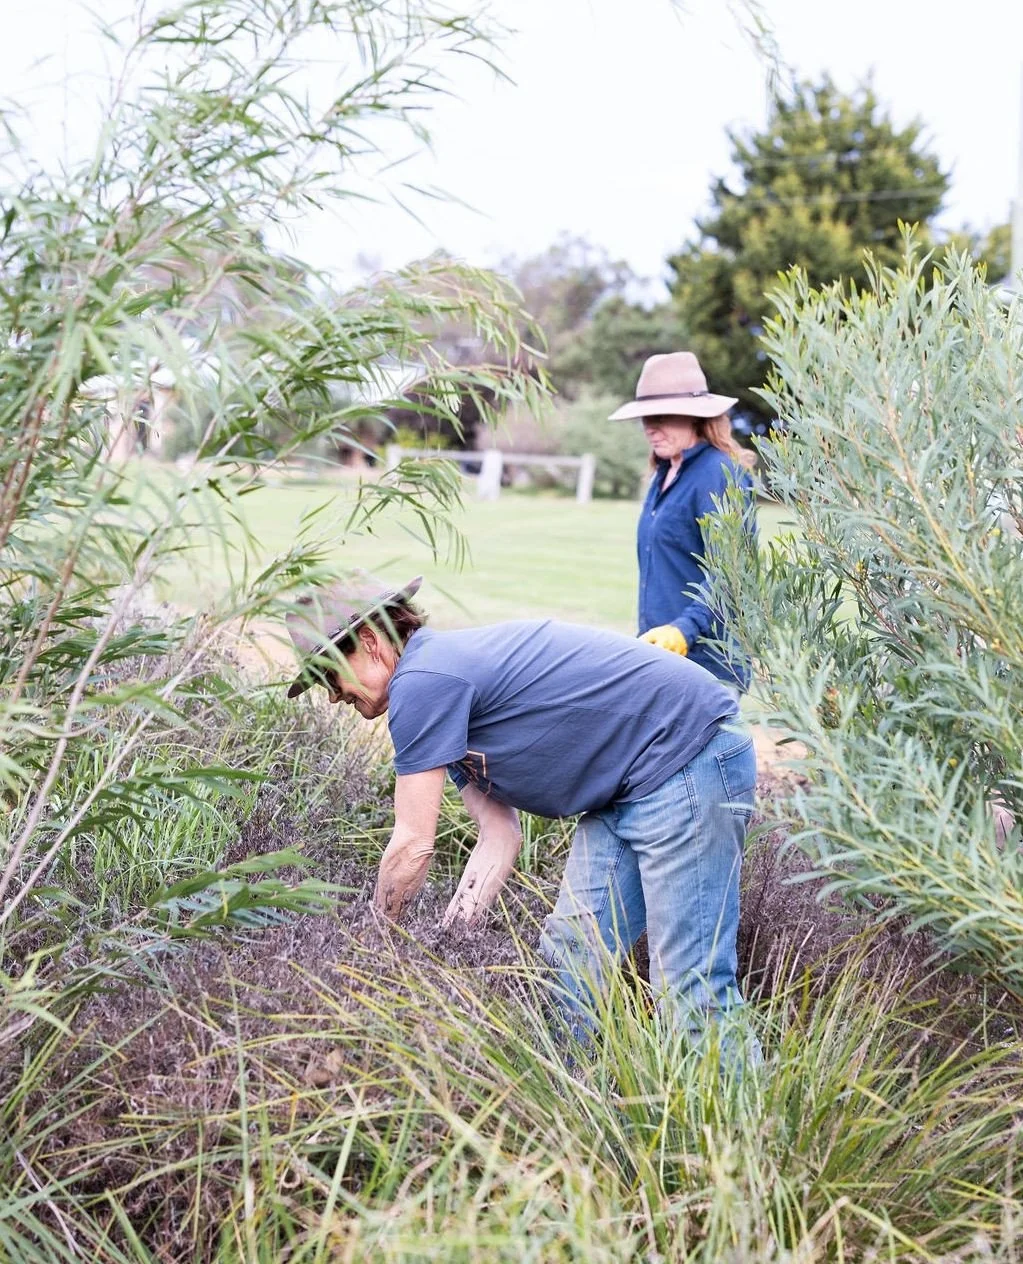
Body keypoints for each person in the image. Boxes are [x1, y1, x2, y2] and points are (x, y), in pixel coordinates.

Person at [285, 573, 758, 1057]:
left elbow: (412, 844)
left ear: (369, 642)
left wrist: (376, 952)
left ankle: (742, 1128)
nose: (332, 695)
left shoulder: (423, 682)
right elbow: (499, 836)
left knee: (688, 985)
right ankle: (569, 1105)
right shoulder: (439, 694)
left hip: (688, 754)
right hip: (630, 785)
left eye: (328, 675)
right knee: (570, 961)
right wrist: (449, 945)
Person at [609, 351, 756, 693]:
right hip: (663, 655)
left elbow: (732, 574)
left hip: (708, 663)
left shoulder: (719, 475)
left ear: (695, 417)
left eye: (662, 416)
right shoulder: (664, 473)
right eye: (646, 417)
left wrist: (684, 629)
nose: (651, 427)